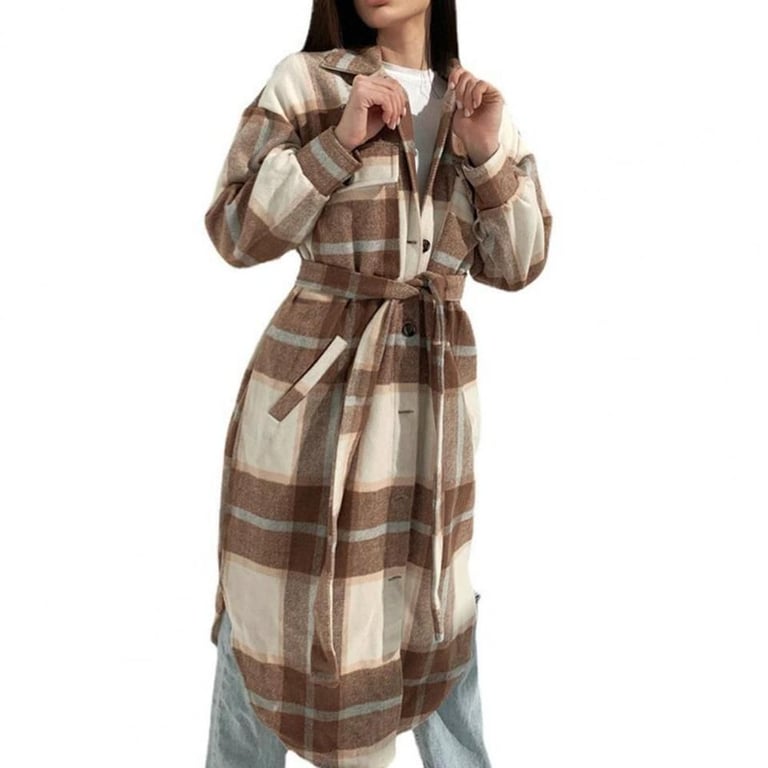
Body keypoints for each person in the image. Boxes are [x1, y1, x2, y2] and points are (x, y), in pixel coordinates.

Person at [203, 1, 553, 766]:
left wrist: (486, 154)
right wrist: (336, 144)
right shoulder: (306, 83)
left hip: (431, 418)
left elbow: (519, 261)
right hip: (312, 408)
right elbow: (235, 229)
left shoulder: (476, 103)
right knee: (269, 611)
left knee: (435, 612)